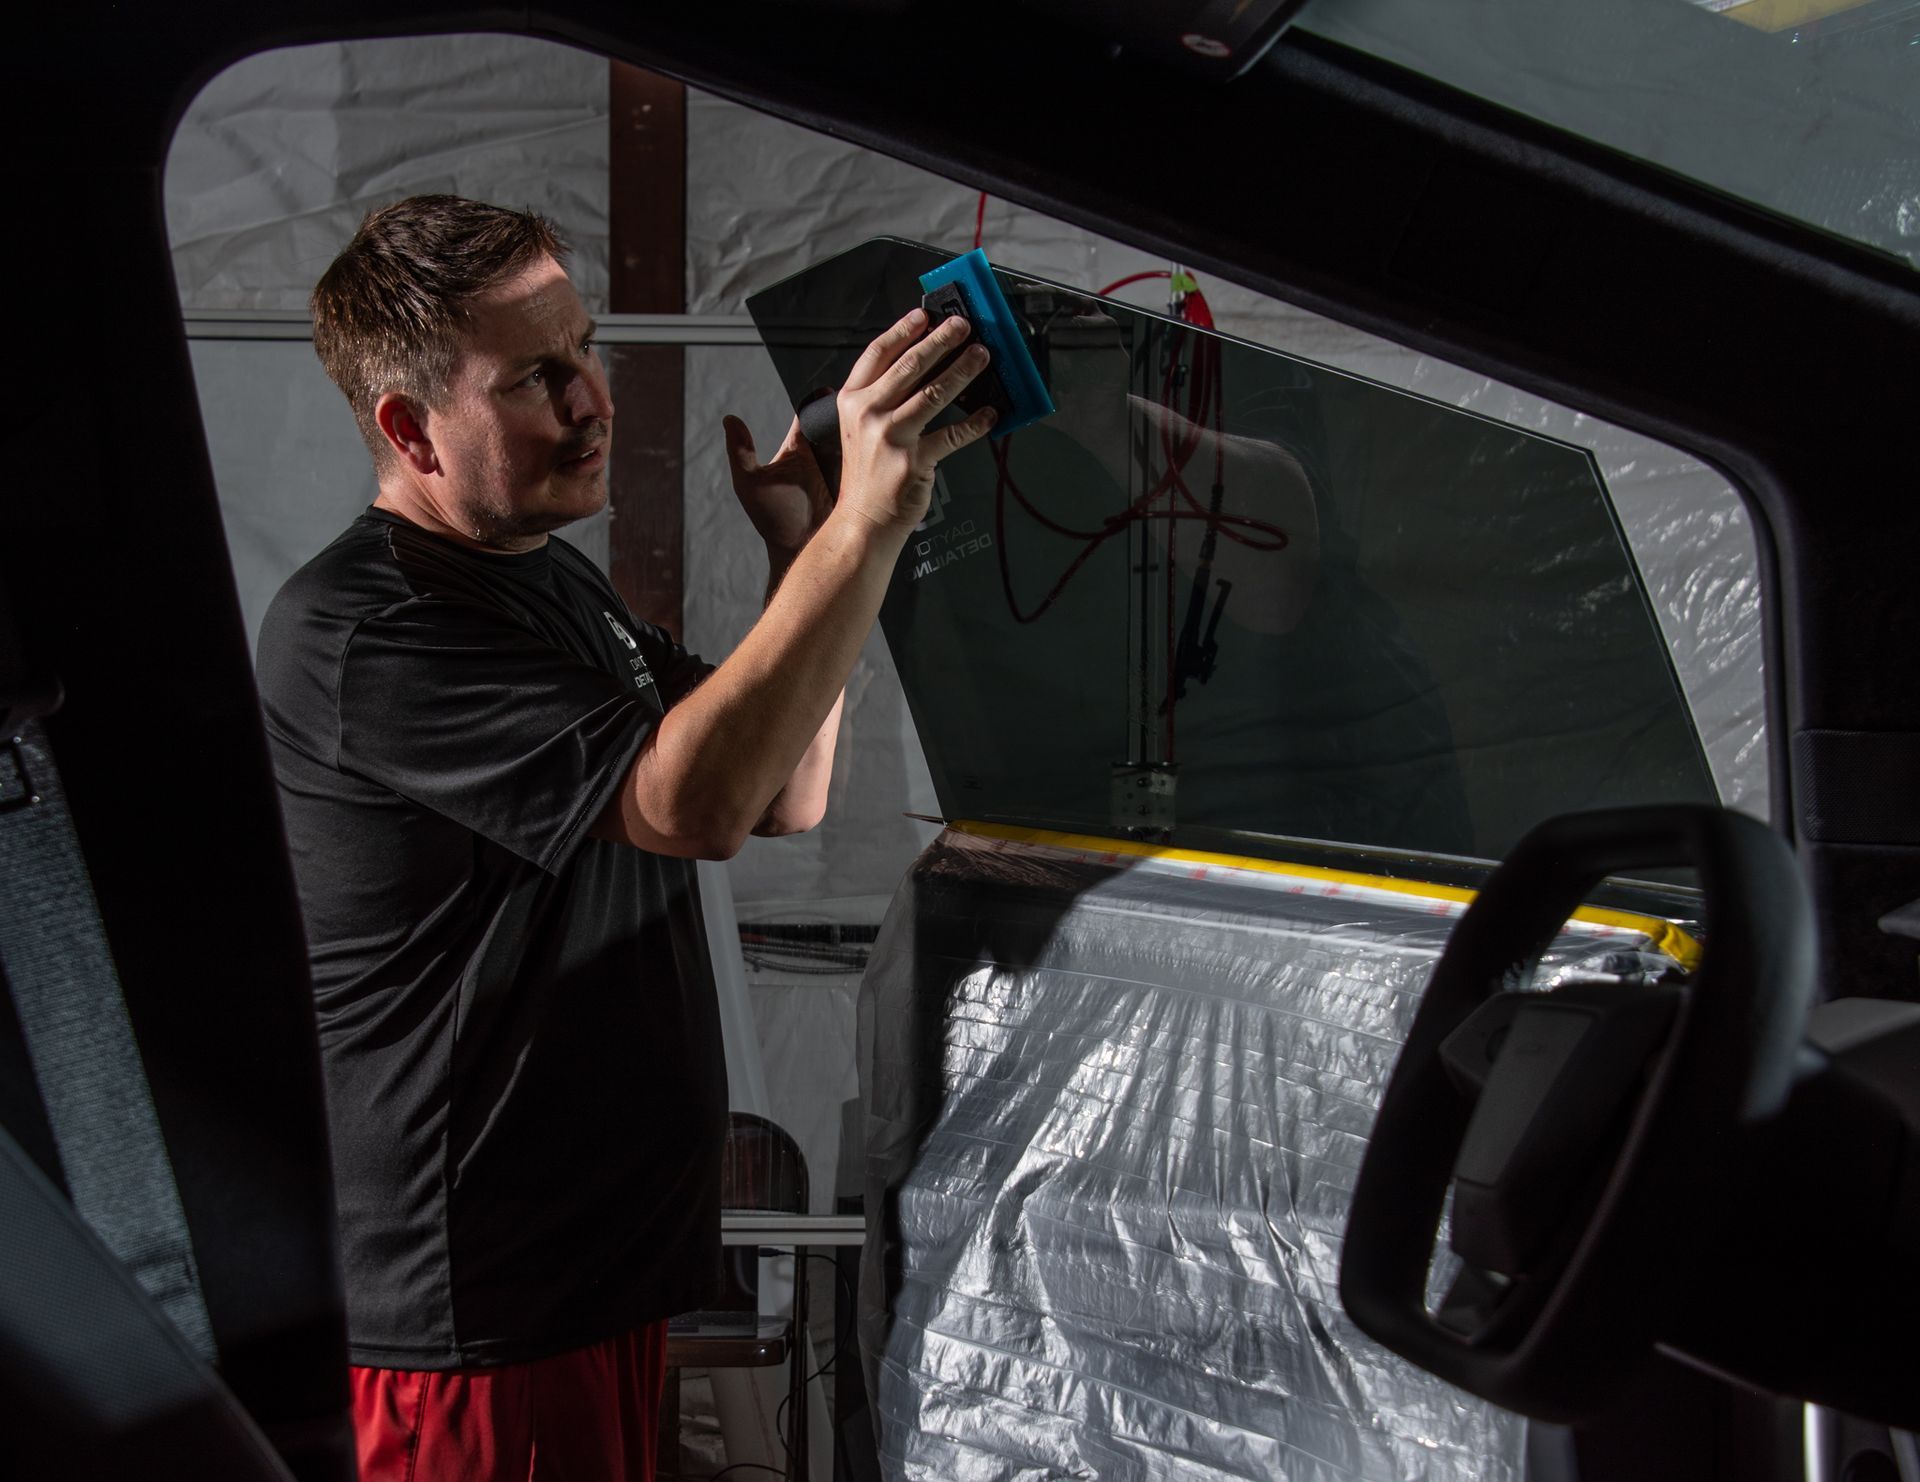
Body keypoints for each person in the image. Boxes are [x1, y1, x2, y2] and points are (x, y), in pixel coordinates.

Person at [255, 194, 993, 1481]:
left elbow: (776, 792)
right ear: (407, 426)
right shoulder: (369, 630)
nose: (592, 399)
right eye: (536, 378)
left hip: (592, 1280)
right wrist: (868, 521)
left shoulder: (547, 579)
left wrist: (809, 551)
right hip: (478, 1314)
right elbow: (692, 805)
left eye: (584, 350)